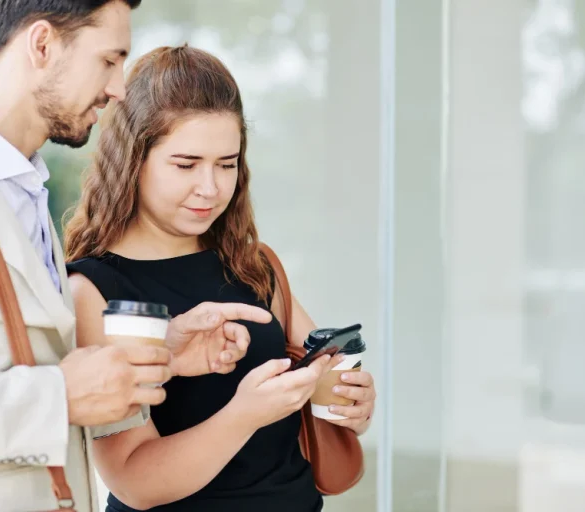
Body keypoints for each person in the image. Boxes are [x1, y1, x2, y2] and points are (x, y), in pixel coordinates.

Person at [0, 3, 272, 511]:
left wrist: (164, 354)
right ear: (42, 44)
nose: (117, 88)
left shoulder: (20, 192)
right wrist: (57, 396)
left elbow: (10, 361)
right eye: (108, 60)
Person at [64, 45, 378, 512]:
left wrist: (351, 403)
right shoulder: (93, 290)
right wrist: (244, 415)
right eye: (186, 165)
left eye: (226, 164)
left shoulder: (254, 265)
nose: (210, 189)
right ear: (133, 160)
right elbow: (133, 479)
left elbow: (319, 389)